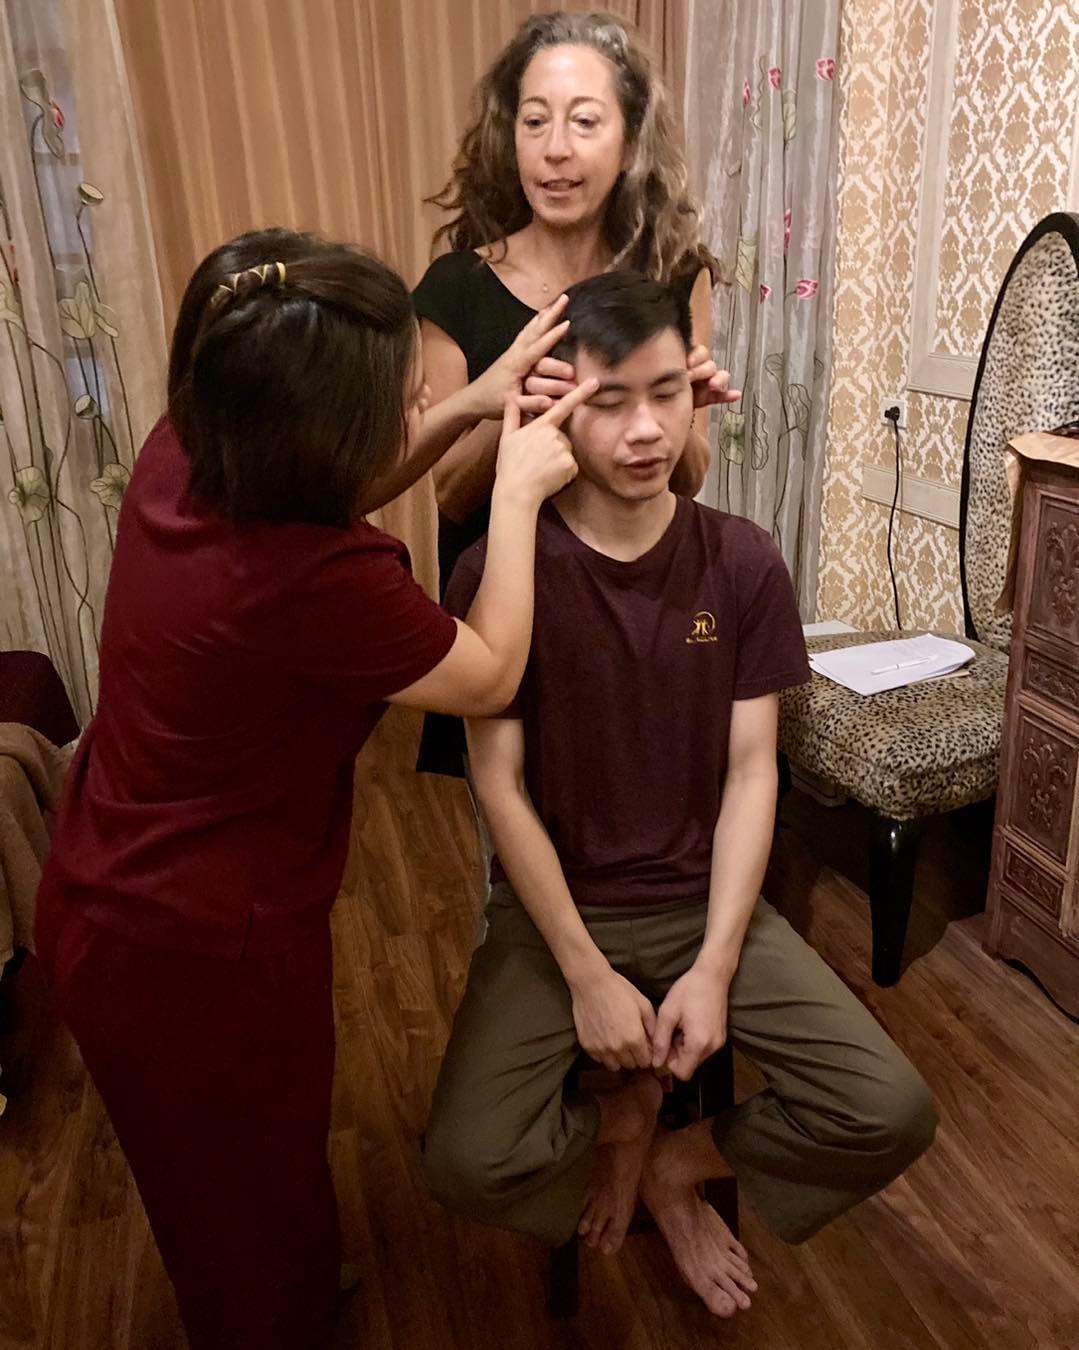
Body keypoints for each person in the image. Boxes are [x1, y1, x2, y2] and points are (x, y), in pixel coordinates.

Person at [33, 227, 596, 1350]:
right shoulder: (307, 583)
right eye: (404, 397)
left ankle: (286, 1280)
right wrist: (517, 494)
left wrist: (474, 399)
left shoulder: (193, 443)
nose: (416, 403)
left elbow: (331, 481)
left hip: (135, 885)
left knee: (269, 1164)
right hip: (180, 946)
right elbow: (489, 673)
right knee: (229, 1221)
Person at [420, 273, 938, 1320]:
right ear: (553, 406)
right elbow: (498, 787)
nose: (646, 429)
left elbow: (752, 774)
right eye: (608, 401)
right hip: (555, 913)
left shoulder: (740, 562)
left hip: (704, 902)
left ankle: (672, 1163)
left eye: (666, 393)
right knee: (465, 1159)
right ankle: (616, 1124)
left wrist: (713, 964)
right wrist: (583, 973)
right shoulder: (500, 569)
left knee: (888, 1110)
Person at [411, 9, 740, 775]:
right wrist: (517, 402)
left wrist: (682, 411)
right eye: (534, 122)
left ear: (628, 144)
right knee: (510, 826)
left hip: (633, 617)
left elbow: (688, 480)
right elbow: (450, 496)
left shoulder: (674, 275)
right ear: (511, 137)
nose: (555, 149)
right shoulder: (457, 285)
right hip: (507, 620)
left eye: (584, 121)